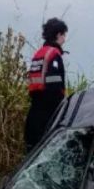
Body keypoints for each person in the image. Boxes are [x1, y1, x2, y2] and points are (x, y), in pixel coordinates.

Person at [24, 18, 69, 151]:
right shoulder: (54, 55)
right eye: (64, 35)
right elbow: (54, 89)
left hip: (34, 113)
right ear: (58, 35)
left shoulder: (39, 54)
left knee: (31, 151)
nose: (64, 39)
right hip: (48, 114)